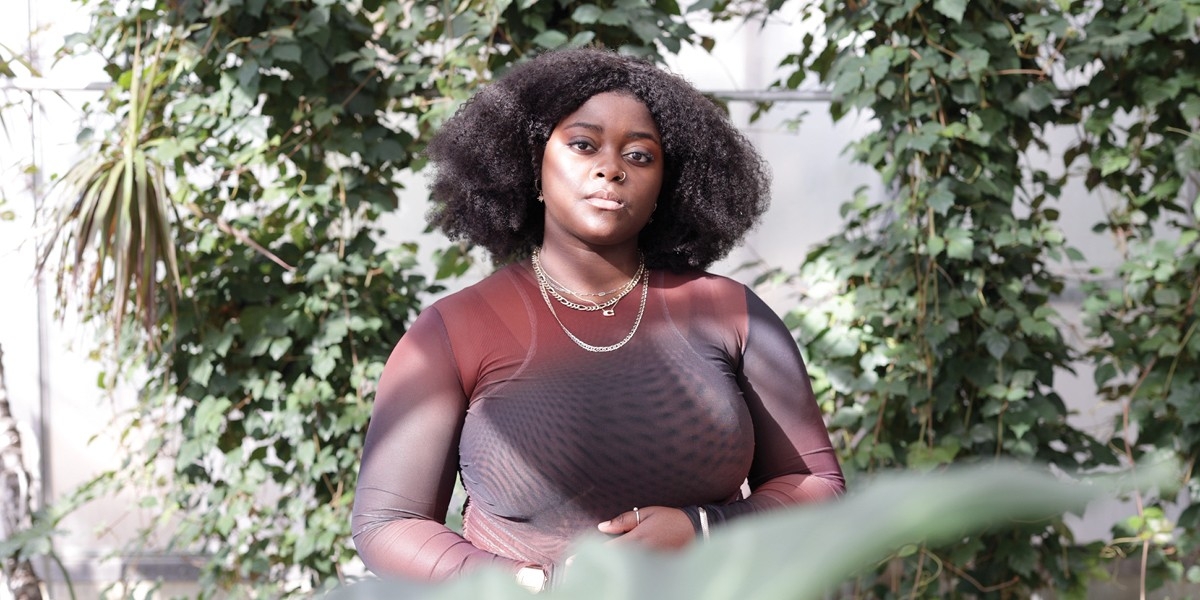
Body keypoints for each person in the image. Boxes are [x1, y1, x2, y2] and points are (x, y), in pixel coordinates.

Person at [351, 46, 844, 592]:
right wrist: (532, 582)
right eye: (583, 145)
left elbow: (814, 482)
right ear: (532, 166)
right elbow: (388, 522)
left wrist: (703, 529)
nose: (610, 168)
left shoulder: (730, 313)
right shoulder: (455, 329)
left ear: (665, 188)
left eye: (640, 155)